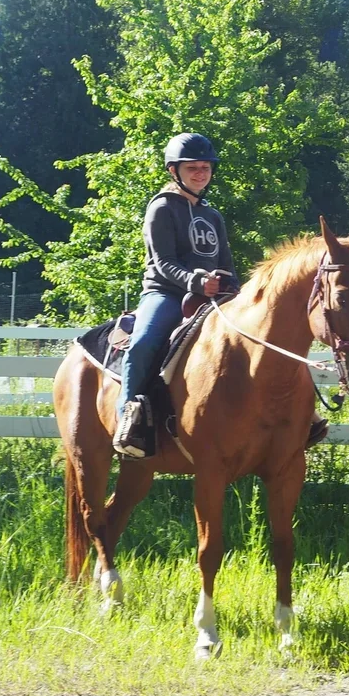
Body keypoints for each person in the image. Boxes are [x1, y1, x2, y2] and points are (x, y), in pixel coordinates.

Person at [112, 133, 236, 459]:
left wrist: (235, 289)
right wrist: (195, 282)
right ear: (174, 171)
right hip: (165, 293)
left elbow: (226, 264)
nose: (200, 173)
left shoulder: (213, 216)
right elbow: (162, 262)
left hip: (213, 296)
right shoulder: (161, 208)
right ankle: (127, 421)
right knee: (142, 344)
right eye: (192, 167)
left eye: (205, 167)